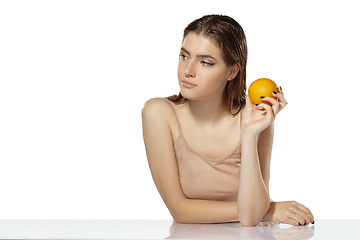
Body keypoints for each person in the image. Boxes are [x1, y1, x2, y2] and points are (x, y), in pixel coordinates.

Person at [142, 14, 314, 227]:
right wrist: (268, 210)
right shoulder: (158, 113)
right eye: (184, 56)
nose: (188, 71)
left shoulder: (255, 118)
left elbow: (251, 218)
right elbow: (180, 210)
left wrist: (250, 135)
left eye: (205, 62)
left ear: (232, 71)